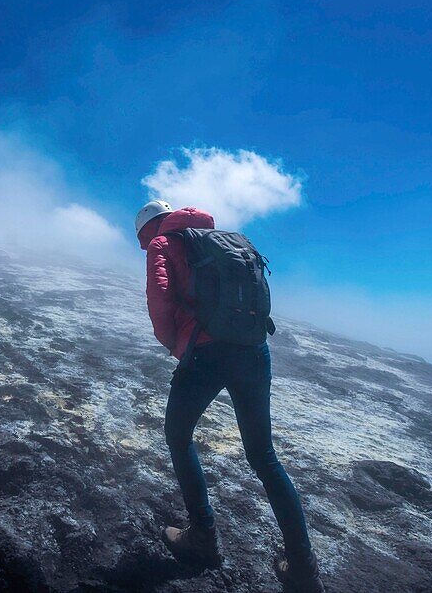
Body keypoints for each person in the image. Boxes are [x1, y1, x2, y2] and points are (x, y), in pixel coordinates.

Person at [136, 200, 323, 593]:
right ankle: (304, 569)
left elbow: (160, 298)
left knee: (178, 436)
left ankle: (203, 537)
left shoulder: (163, 243)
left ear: (149, 228)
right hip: (254, 350)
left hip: (207, 352)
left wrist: (177, 344)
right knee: (264, 456)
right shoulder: (226, 238)